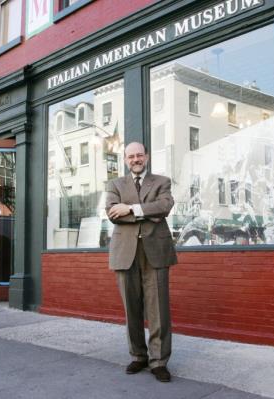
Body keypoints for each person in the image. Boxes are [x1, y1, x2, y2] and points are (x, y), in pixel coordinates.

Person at [105, 142, 177, 382]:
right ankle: (138, 356)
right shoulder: (115, 184)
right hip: (126, 253)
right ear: (125, 159)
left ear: (146, 156)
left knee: (159, 310)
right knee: (131, 310)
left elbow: (165, 206)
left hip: (155, 251)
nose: (135, 159)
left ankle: (159, 361)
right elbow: (112, 213)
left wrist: (132, 208)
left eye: (139, 155)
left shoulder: (161, 181)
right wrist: (147, 213)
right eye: (130, 156)